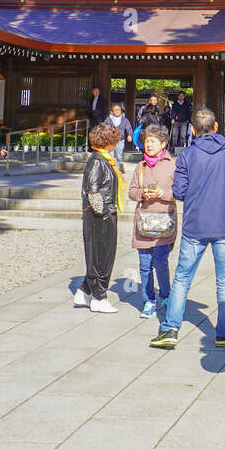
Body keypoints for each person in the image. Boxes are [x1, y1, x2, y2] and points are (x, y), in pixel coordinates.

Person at [149, 107, 225, 349]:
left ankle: (170, 328)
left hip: (195, 223)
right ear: (216, 127)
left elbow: (179, 190)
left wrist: (197, 197)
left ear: (193, 130)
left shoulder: (187, 154)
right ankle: (224, 331)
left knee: (183, 278)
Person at [129, 124, 177, 320]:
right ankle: (149, 300)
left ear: (163, 144)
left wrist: (162, 193)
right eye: (147, 141)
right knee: (144, 264)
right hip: (144, 221)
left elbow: (181, 191)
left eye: (153, 142)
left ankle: (165, 295)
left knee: (161, 262)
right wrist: (142, 193)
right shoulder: (140, 167)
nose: (149, 145)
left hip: (164, 220)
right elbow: (131, 191)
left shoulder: (173, 165)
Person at [75, 121, 125, 313]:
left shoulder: (102, 159)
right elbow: (92, 191)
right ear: (108, 141)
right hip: (100, 216)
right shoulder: (97, 161)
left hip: (104, 213)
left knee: (102, 253)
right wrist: (103, 213)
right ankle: (99, 295)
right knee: (101, 256)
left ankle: (86, 290)